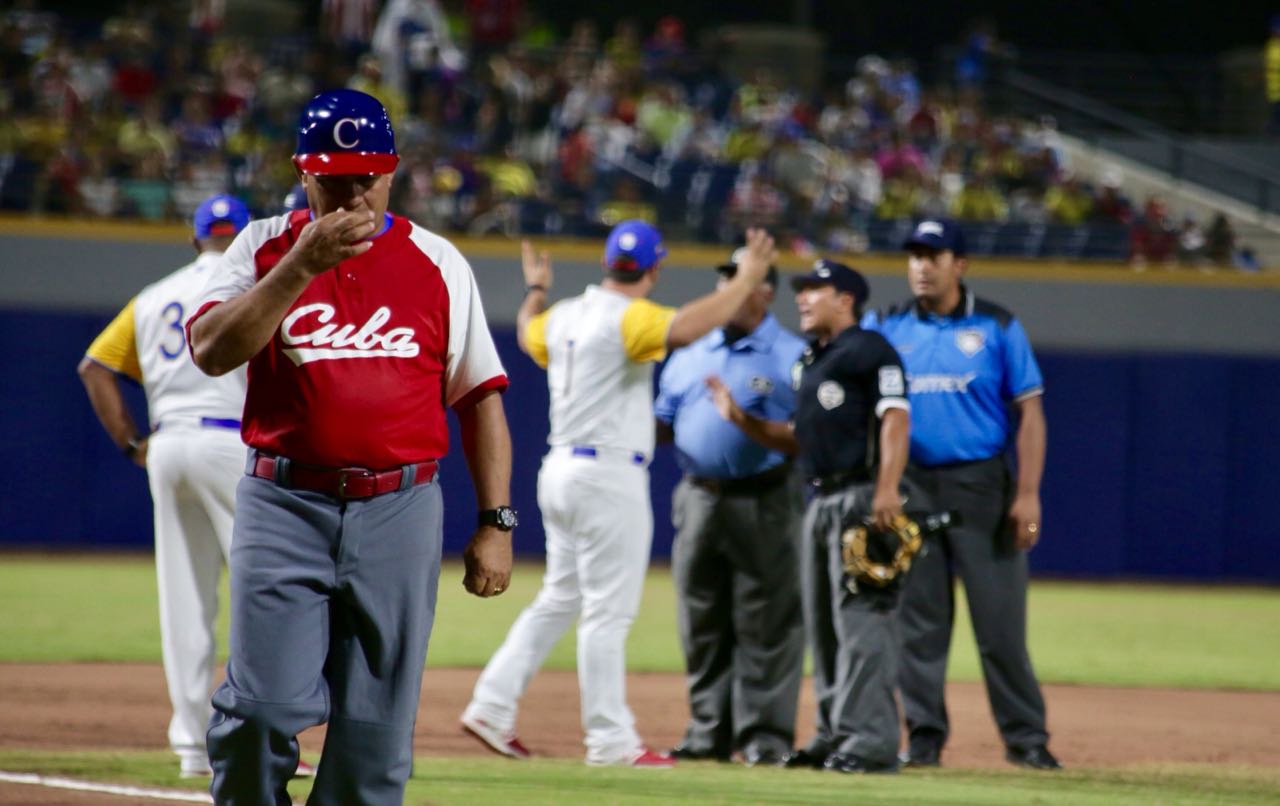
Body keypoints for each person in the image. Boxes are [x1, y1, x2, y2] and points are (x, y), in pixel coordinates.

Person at [186, 88, 515, 804]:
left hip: (401, 508)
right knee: (263, 711)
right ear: (305, 173)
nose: (356, 190)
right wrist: (300, 267)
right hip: (285, 500)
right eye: (337, 177)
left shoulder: (436, 260)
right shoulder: (263, 247)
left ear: (393, 170)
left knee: (375, 737)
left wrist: (496, 522)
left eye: (369, 173)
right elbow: (211, 351)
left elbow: (480, 398)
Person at [460, 223, 775, 767]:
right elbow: (690, 326)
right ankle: (610, 740)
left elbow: (529, 326)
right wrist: (746, 279)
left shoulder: (560, 316)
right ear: (653, 270)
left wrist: (536, 287)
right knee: (607, 614)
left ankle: (491, 705)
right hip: (607, 477)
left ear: (609, 264)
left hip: (559, 470)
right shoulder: (632, 316)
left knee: (561, 597)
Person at [77, 194, 278, 780]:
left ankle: (191, 743)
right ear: (246, 238)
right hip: (231, 442)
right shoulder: (256, 283)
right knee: (265, 592)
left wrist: (129, 443)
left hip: (168, 443)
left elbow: (94, 367)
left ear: (195, 240)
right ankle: (257, 738)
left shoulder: (152, 296)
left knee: (185, 597)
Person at [862, 218, 1060, 771]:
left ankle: (1026, 739)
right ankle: (923, 739)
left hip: (982, 488)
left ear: (960, 263)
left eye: (935, 254)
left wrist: (1028, 494)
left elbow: (1031, 414)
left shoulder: (996, 325)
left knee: (1000, 628)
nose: (922, 266)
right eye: (915, 256)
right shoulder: (886, 324)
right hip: (913, 489)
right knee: (919, 628)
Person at [705, 259, 911, 774]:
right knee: (823, 627)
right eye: (801, 291)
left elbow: (895, 417)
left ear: (845, 299)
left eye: (814, 290)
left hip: (862, 498)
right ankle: (833, 733)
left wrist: (887, 488)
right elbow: (799, 436)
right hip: (819, 501)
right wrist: (742, 420)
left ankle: (871, 742)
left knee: (863, 626)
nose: (801, 298)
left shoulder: (871, 350)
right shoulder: (813, 360)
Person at [653, 248, 807, 766]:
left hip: (766, 497)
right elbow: (664, 423)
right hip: (698, 496)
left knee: (770, 622)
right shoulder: (690, 350)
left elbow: (809, 438)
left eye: (741, 280)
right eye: (725, 279)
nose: (729, 289)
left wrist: (744, 422)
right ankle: (707, 731)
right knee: (700, 619)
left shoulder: (793, 354)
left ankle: (765, 737)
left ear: (765, 290)